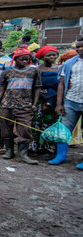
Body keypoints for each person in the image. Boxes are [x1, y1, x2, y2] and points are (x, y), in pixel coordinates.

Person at [0, 48, 41, 164]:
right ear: (15, 59)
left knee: (25, 129)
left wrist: (34, 104)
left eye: (26, 59)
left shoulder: (34, 72)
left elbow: (37, 88)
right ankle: (9, 150)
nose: (24, 61)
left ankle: (23, 153)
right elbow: (0, 90)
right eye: (21, 59)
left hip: (25, 105)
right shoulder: (7, 72)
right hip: (6, 104)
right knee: (5, 128)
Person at [51, 37, 83, 167]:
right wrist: (59, 104)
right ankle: (60, 156)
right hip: (71, 100)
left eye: (82, 47)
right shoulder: (70, 63)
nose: (80, 49)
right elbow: (62, 84)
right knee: (63, 129)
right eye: (77, 47)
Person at [33, 46, 61, 155]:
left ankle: (47, 146)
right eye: (48, 55)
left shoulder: (60, 68)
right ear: (43, 57)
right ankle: (35, 145)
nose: (52, 57)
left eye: (54, 55)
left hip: (54, 97)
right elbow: (34, 84)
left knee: (50, 121)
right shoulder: (37, 69)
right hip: (40, 97)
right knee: (36, 121)